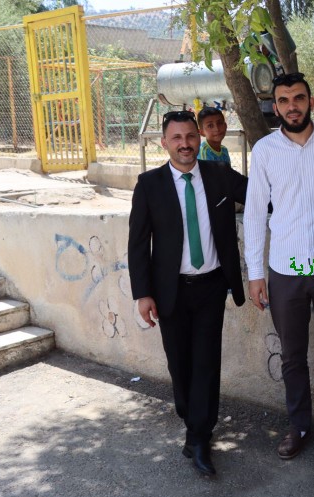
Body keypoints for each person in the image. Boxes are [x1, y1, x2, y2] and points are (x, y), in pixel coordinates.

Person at [243, 72, 314, 463]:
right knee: (292, 356)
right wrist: (255, 274)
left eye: (298, 98)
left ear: (310, 101)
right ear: (275, 107)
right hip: (285, 271)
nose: (291, 106)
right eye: (283, 100)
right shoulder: (265, 150)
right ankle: (299, 426)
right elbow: (255, 214)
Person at [127, 110, 248, 477]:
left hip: (212, 286)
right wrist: (143, 294)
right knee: (179, 364)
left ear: (199, 138)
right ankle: (192, 421)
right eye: (177, 138)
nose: (185, 144)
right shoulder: (149, 185)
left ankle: (199, 436)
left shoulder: (219, 174)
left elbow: (262, 197)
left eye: (190, 136)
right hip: (171, 291)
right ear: (164, 143)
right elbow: (138, 244)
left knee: (206, 363)